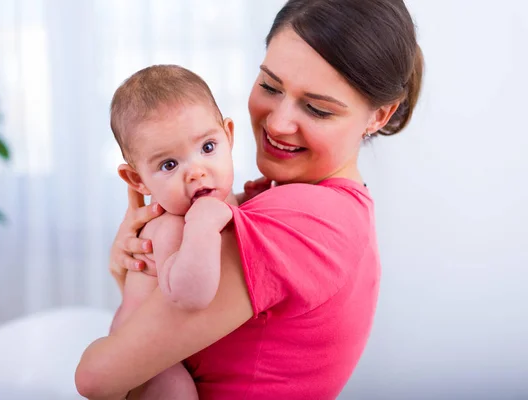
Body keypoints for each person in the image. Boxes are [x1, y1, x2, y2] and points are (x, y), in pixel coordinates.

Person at [76, 0, 424, 398]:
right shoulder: (321, 207)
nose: (276, 123)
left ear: (378, 116)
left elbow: (98, 375)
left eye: (317, 109)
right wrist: (139, 271)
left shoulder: (298, 221)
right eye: (270, 86)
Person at [107, 64, 238, 399]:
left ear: (229, 136)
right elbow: (191, 296)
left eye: (208, 147)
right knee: (176, 391)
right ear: (138, 181)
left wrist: (253, 196)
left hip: (168, 347)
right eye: (169, 164)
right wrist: (203, 226)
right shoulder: (170, 227)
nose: (196, 172)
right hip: (143, 359)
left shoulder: (206, 202)